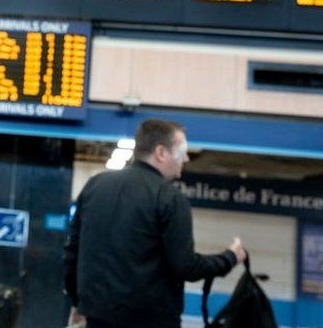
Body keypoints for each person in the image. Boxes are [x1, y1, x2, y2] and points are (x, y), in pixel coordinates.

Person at [64, 119, 246, 328]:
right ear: (161, 152)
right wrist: (230, 257)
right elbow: (185, 267)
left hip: (97, 319)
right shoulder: (170, 198)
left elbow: (72, 252)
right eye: (182, 150)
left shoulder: (95, 185)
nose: (186, 158)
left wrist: (78, 302)